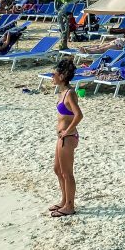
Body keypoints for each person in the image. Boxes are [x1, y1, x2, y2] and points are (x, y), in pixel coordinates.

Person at [49, 58, 83, 218]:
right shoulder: (62, 92)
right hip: (62, 137)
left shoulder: (70, 93)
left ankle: (70, 206)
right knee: (57, 170)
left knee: (67, 173)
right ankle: (64, 200)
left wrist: (67, 131)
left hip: (67, 138)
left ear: (61, 76)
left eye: (53, 74)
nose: (51, 77)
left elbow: (79, 115)